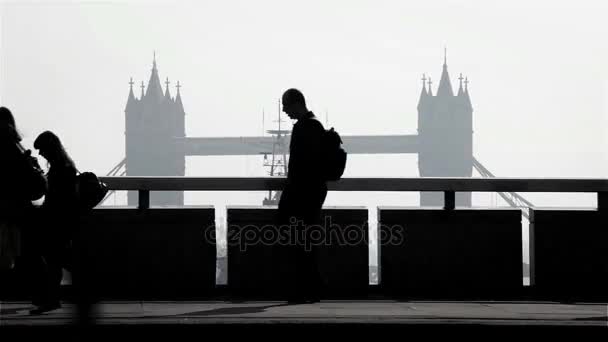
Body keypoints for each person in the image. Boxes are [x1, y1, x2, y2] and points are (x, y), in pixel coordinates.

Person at [277, 88, 328, 303]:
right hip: (311, 194)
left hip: (303, 195)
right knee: (306, 243)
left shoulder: (306, 127)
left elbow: (299, 168)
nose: (284, 110)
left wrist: (288, 197)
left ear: (297, 103)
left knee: (300, 244)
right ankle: (311, 290)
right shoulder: (314, 125)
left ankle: (304, 290)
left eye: (286, 105)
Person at [30, 130, 79, 314]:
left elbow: (54, 197)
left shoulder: (61, 169)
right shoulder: (65, 166)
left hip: (58, 221)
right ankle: (52, 299)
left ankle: (52, 300)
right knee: (58, 260)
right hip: (63, 220)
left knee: (55, 261)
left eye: (41, 149)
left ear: (49, 148)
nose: (40, 153)